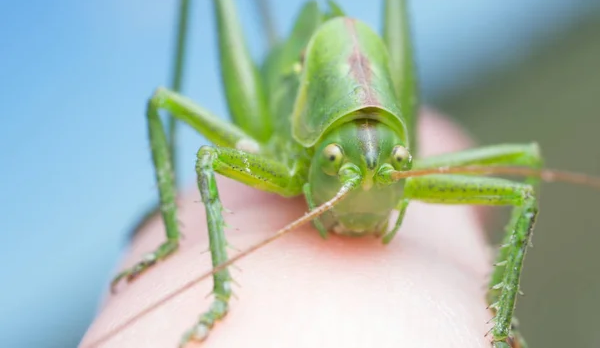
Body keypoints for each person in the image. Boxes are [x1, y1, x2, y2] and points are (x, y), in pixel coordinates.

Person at [81, 110, 493, 348]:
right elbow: (201, 148)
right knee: (172, 110)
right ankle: (202, 275)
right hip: (285, 129)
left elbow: (522, 187)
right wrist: (176, 233)